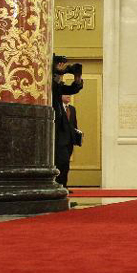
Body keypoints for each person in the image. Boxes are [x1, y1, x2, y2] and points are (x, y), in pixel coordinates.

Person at [52, 56, 83, 191]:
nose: (63, 68)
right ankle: (58, 185)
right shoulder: (50, 84)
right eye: (61, 65)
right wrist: (58, 73)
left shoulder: (59, 85)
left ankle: (62, 186)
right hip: (56, 132)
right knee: (61, 161)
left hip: (66, 135)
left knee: (65, 163)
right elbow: (55, 88)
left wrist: (77, 77)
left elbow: (72, 89)